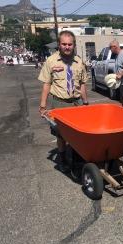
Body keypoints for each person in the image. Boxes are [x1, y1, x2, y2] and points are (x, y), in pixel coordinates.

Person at [38, 30, 89, 171]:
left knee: (79, 132)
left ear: (73, 45)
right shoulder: (51, 61)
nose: (67, 47)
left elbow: (83, 84)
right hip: (59, 103)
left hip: (77, 102)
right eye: (64, 44)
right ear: (59, 45)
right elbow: (46, 84)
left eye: (70, 44)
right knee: (61, 134)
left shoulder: (79, 62)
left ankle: (77, 157)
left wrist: (85, 103)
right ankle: (62, 158)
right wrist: (43, 105)